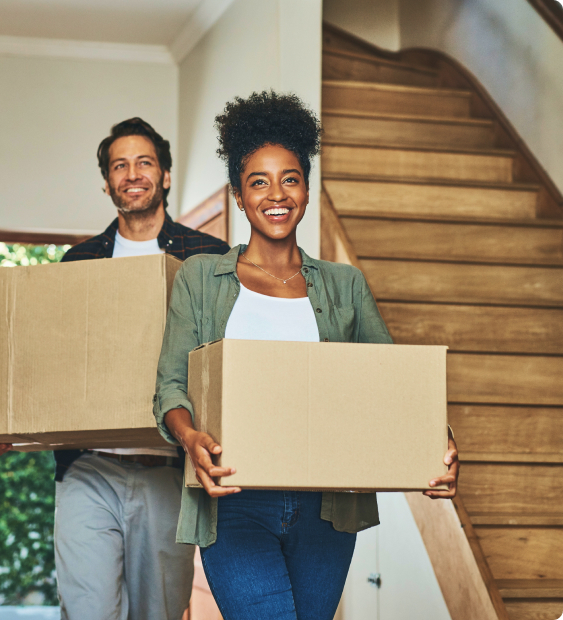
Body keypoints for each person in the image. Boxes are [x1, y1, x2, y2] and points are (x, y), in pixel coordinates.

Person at [153, 92, 460, 620]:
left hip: (329, 506)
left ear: (307, 188)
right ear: (237, 195)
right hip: (234, 500)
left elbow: (392, 385)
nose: (277, 194)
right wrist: (189, 436)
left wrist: (437, 440)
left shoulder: (345, 285)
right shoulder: (201, 280)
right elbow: (170, 387)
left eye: (290, 178)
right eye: (259, 181)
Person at [0, 117, 230, 620]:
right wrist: (7, 426)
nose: (132, 174)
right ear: (107, 181)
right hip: (88, 469)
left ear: (166, 176)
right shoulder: (79, 261)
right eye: (120, 165)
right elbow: (51, 364)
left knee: (158, 612)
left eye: (144, 163)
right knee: (86, 611)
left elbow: (224, 361)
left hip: (167, 470)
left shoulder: (208, 258)